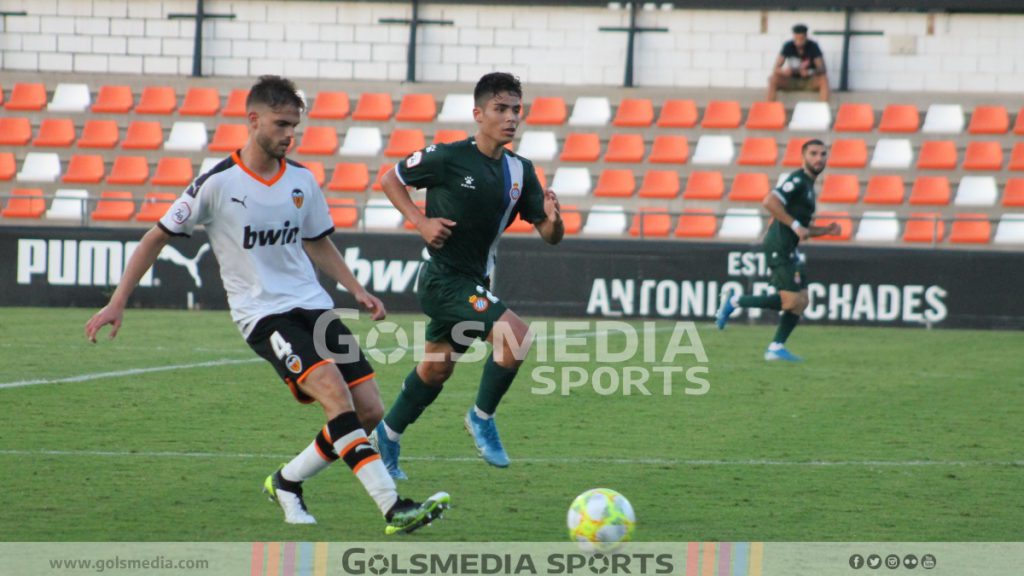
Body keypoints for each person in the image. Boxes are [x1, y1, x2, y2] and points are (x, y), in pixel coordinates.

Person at [84, 75, 449, 534]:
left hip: (313, 307)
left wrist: (355, 289)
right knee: (335, 396)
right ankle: (394, 508)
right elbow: (154, 238)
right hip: (263, 315)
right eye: (280, 124)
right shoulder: (216, 183)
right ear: (252, 119)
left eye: (294, 125)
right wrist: (118, 302)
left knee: (369, 410)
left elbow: (318, 242)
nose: (288, 134)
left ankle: (287, 481)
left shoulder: (301, 179)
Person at [372, 72, 564, 479]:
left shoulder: (520, 171)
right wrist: (420, 222)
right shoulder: (447, 157)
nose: (511, 117)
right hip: (443, 281)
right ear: (478, 114)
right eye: (501, 109)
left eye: (516, 109)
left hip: (476, 283)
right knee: (516, 337)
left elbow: (549, 236)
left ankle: (386, 437)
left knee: (436, 370)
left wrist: (553, 219)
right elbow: (390, 178)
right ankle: (481, 418)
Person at [715, 139, 840, 361]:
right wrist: (794, 225)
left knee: (801, 300)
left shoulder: (809, 186)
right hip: (778, 245)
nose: (819, 158)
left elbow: (802, 228)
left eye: (823, 154)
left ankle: (776, 347)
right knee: (792, 300)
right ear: (803, 157)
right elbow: (769, 201)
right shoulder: (797, 180)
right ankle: (735, 302)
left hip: (790, 246)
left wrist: (825, 230)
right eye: (813, 154)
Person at [768, 24, 830, 102]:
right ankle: (770, 109)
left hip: (808, 81)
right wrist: (784, 72)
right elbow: (776, 68)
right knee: (773, 79)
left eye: (801, 39)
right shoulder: (788, 46)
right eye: (796, 39)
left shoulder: (813, 46)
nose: (799, 42)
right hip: (791, 80)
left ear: (806, 37)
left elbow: (822, 68)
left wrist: (810, 72)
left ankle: (822, 109)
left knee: (823, 79)